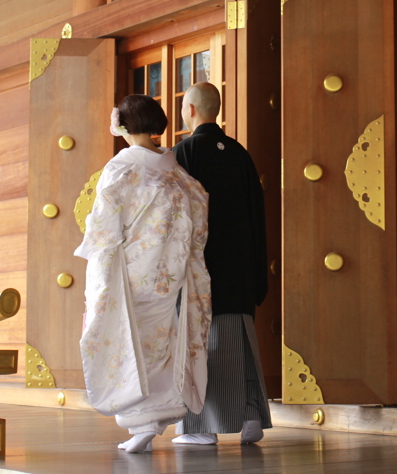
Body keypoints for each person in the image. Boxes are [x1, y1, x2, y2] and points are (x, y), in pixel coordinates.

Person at [75, 94, 211, 454]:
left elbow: (104, 227)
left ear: (122, 124)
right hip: (168, 273)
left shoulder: (121, 168)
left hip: (131, 271)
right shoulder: (178, 173)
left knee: (128, 341)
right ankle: (154, 418)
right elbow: (199, 224)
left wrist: (100, 266)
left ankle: (141, 423)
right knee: (158, 343)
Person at [171, 82, 272, 446]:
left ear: (191, 110)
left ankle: (201, 427)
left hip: (203, 271)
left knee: (205, 346)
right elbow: (257, 216)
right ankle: (251, 417)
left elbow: (175, 217)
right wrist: (257, 271)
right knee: (242, 343)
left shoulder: (184, 152)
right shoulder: (240, 154)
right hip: (240, 269)